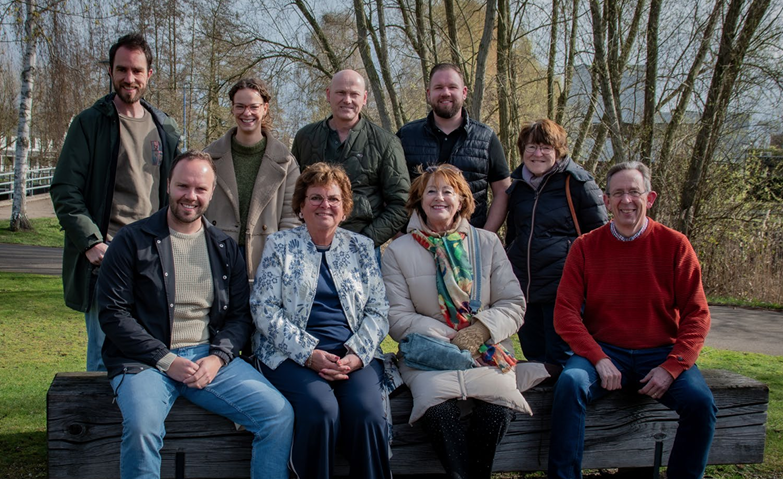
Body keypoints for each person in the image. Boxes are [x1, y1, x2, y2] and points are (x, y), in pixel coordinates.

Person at [97, 150, 293, 479]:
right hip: (145, 361)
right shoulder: (132, 241)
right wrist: (165, 359)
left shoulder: (224, 248)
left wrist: (218, 357)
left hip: (206, 359)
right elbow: (113, 314)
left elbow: (240, 318)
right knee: (143, 428)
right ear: (168, 187)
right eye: (182, 186)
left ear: (212, 193)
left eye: (200, 189)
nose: (191, 196)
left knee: (278, 415)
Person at [549, 161, 717, 479]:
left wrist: (672, 367)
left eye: (634, 192)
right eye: (618, 193)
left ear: (649, 197)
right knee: (570, 384)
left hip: (661, 352)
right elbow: (565, 313)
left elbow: (697, 314)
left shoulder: (675, 245)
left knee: (700, 404)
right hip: (605, 351)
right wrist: (597, 359)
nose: (627, 200)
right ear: (606, 200)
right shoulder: (585, 247)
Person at [383, 164, 539, 479]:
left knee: (496, 408)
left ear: (461, 199)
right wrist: (448, 335)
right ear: (419, 199)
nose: (439, 198)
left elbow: (514, 303)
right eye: (431, 191)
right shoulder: (397, 251)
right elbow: (396, 317)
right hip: (429, 356)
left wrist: (480, 330)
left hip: (487, 350)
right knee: (437, 411)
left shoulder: (487, 243)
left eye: (447, 191)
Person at [251, 162, 398, 479]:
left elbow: (378, 309)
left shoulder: (361, 248)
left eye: (333, 199)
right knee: (321, 411)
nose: (324, 205)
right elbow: (263, 307)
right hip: (291, 354)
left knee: (368, 413)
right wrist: (308, 354)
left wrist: (357, 355)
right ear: (301, 206)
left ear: (345, 208)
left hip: (352, 355)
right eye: (315, 197)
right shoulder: (280, 245)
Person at [50, 33, 180, 371]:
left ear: (150, 74)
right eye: (121, 69)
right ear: (110, 71)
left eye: (137, 71)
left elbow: (176, 193)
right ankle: (100, 425)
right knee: (103, 357)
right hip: (107, 258)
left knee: (154, 354)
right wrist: (91, 242)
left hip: (154, 259)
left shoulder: (165, 128)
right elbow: (65, 189)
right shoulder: (90, 124)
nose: (129, 78)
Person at [505, 119, 607, 368]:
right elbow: (514, 235)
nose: (537, 153)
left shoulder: (579, 183)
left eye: (545, 147)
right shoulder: (517, 186)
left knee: (564, 361)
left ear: (558, 151)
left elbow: (601, 239)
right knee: (535, 360)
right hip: (525, 292)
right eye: (531, 147)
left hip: (563, 292)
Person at [291, 69, 410, 248]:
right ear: (329, 94)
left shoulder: (386, 143)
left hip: (364, 246)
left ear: (364, 98)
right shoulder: (305, 138)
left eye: (354, 94)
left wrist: (365, 241)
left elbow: (401, 204)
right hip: (310, 246)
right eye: (341, 93)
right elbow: (295, 195)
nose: (347, 100)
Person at [396, 63, 510, 232]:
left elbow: (503, 191)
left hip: (470, 244)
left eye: (452, 87)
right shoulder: (406, 136)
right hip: (417, 241)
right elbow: (389, 190)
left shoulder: (486, 138)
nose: (445, 93)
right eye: (439, 87)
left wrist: (485, 236)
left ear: (464, 92)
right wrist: (400, 235)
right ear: (429, 94)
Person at [204, 78, 299, 278]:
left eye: (253, 107)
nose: (246, 113)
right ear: (232, 109)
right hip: (216, 257)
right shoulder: (208, 158)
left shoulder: (286, 162)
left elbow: (292, 217)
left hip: (266, 258)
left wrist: (280, 256)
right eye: (240, 106)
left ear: (265, 108)